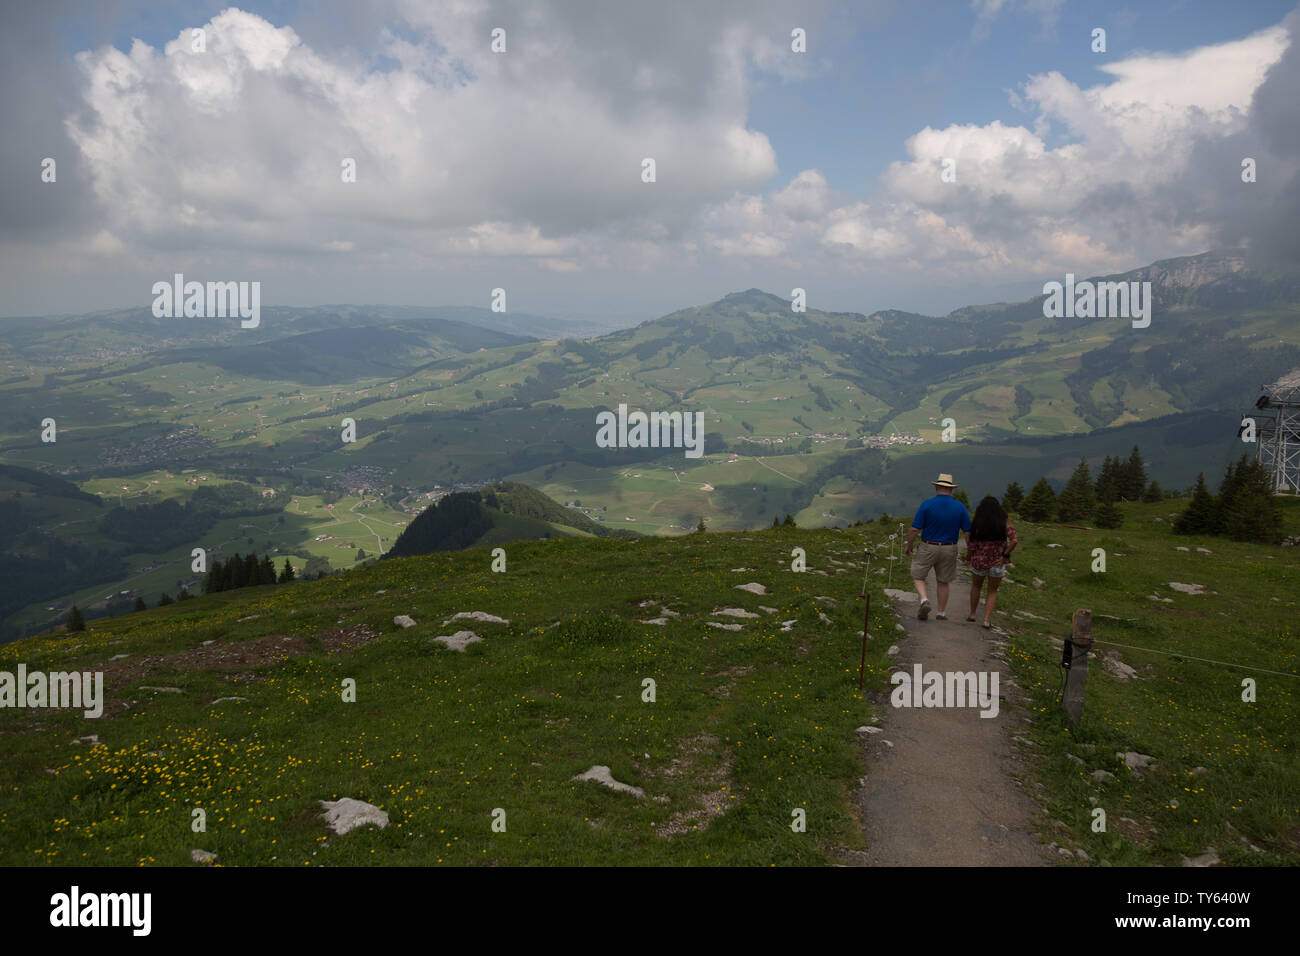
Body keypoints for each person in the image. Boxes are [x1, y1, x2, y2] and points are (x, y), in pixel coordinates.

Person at [903, 473, 971, 621]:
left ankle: (924, 600)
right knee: (943, 580)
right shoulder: (960, 507)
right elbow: (967, 532)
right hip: (949, 547)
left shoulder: (927, 504)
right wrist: (970, 552)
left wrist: (909, 545)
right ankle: (941, 613)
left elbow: (914, 529)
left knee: (918, 575)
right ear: (951, 489)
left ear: (936, 487)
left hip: (928, 545)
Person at [964, 496, 1017, 630]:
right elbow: (1014, 540)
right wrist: (1005, 555)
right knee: (992, 591)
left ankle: (972, 614)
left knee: (976, 587)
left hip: (979, 561)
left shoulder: (977, 524)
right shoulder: (1004, 522)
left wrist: (968, 558)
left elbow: (971, 545)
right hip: (997, 562)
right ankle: (986, 620)